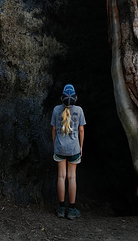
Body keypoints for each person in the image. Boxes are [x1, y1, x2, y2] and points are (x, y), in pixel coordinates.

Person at [51, 84, 86, 219]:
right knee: (72, 177)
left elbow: (53, 130)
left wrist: (55, 145)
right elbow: (81, 130)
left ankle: (61, 208)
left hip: (59, 147)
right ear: (75, 98)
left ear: (62, 98)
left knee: (61, 177)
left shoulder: (55, 110)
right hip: (74, 148)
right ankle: (71, 210)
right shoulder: (79, 110)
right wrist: (81, 146)